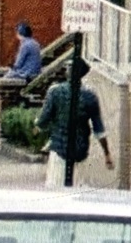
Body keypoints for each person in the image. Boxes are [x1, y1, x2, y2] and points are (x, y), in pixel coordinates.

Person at [36, 58, 109, 188]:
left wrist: (39, 125)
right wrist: (107, 154)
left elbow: (42, 121)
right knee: (76, 188)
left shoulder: (55, 92)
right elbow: (99, 130)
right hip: (80, 150)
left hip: (59, 149)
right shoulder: (90, 97)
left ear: (68, 72)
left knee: (55, 188)